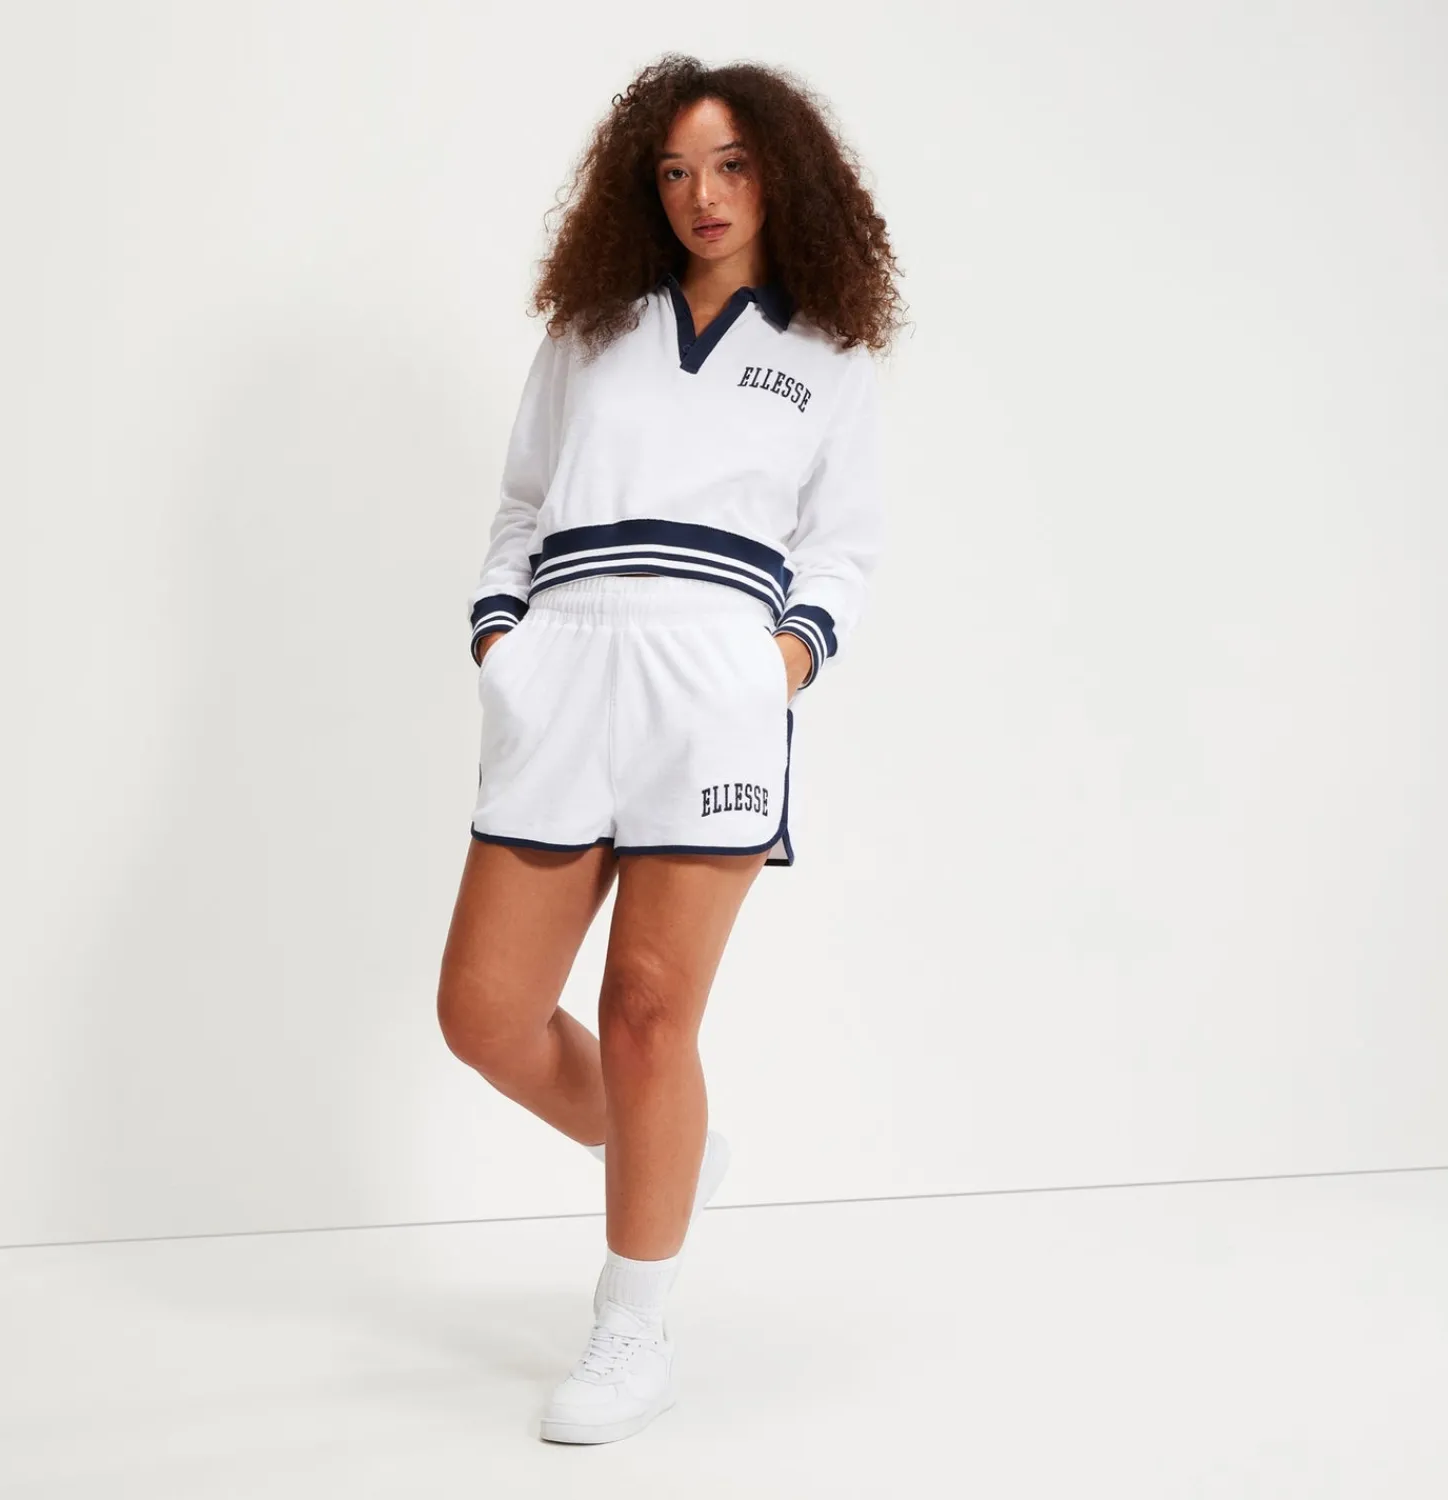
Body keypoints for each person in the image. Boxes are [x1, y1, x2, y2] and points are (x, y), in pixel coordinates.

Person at [437, 53, 902, 1445]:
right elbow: (521, 506)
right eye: (677, 170)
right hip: (567, 667)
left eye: (734, 165)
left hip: (712, 685)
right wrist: (503, 641)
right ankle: (670, 1149)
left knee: (648, 1008)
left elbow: (844, 547)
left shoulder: (830, 355)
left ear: (783, 176)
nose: (705, 195)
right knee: (484, 1014)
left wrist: (780, 661)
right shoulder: (590, 331)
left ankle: (632, 1328)